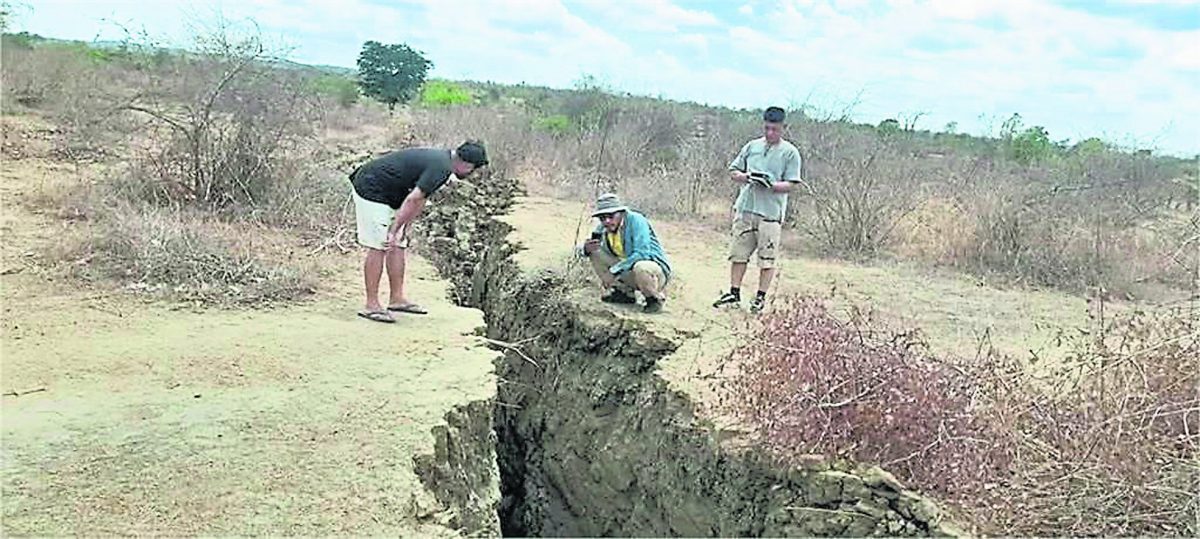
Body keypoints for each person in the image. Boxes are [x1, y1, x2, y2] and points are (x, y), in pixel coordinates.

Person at [349, 140, 488, 323]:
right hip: (370, 188)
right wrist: (393, 230)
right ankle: (371, 305)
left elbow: (419, 199)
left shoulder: (444, 163)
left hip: (390, 193)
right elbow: (412, 200)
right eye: (473, 169)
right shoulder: (441, 167)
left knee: (399, 243)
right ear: (465, 164)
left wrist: (403, 229)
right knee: (380, 245)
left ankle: (396, 299)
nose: (472, 174)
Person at [713, 106, 804, 313]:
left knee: (766, 259)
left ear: (783, 128)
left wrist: (771, 185)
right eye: (767, 128)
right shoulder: (752, 146)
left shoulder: (790, 153)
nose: (770, 133)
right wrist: (746, 177)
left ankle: (760, 298)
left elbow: (792, 183)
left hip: (770, 215)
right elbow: (733, 170)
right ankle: (733, 293)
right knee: (738, 254)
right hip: (746, 209)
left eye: (775, 129)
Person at [578, 193, 672, 314]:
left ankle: (654, 299)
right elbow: (582, 249)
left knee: (641, 266)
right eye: (602, 218)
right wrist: (585, 249)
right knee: (594, 251)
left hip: (654, 273)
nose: (607, 221)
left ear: (620, 213)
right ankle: (623, 293)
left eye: (611, 216)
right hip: (629, 270)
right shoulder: (603, 228)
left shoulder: (636, 220)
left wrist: (613, 271)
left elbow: (642, 253)